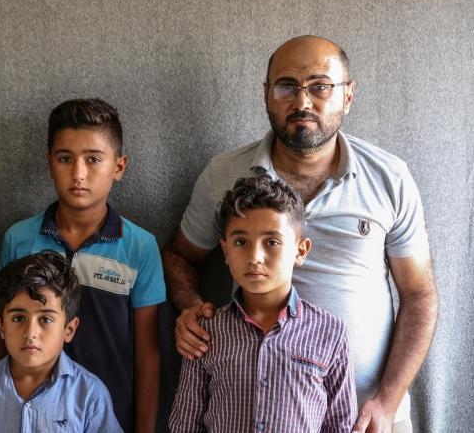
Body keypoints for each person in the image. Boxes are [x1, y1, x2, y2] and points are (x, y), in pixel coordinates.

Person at [163, 35, 438, 433]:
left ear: (347, 96)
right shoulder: (224, 175)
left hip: (369, 415)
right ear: (266, 95)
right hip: (253, 413)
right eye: (286, 86)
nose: (302, 101)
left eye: (320, 86)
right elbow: (179, 256)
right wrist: (191, 308)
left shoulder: (389, 177)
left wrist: (386, 401)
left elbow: (420, 294)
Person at [0, 98, 165, 432]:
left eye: (93, 159)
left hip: (109, 418)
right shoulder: (19, 239)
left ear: (118, 167)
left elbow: (147, 354)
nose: (78, 173)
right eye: (65, 159)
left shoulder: (139, 247)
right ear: (49, 163)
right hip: (31, 418)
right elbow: (1, 332)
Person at [169, 176, 357, 433]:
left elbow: (340, 426)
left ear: (300, 251)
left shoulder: (331, 333)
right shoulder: (206, 332)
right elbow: (185, 425)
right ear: (225, 251)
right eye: (240, 242)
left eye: (272, 242)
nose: (255, 257)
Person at [0, 250, 122, 432]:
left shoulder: (89, 394)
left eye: (46, 319)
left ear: (69, 329)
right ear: (1, 326)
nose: (30, 333)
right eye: (18, 318)